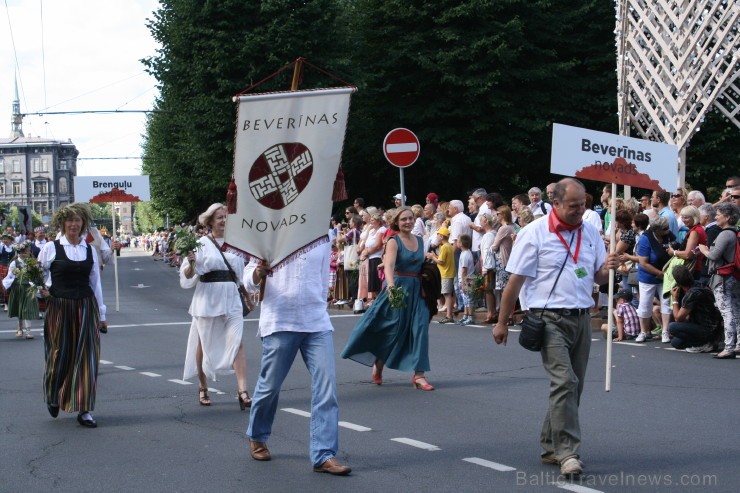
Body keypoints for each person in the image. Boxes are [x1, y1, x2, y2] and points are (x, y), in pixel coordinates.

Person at [493, 178, 618, 477]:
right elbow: (515, 281)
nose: (580, 211)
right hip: (548, 318)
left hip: (581, 317)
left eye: (583, 205)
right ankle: (567, 453)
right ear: (557, 203)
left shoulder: (590, 230)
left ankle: (550, 445)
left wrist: (609, 267)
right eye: (573, 206)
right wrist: (501, 322)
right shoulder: (534, 233)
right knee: (564, 382)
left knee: (574, 385)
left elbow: (598, 278)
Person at [245, 243, 351, 475]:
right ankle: (257, 434)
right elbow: (248, 278)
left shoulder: (323, 235)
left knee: (327, 386)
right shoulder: (271, 233)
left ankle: (324, 454)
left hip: (316, 321)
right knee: (269, 386)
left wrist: (320, 302)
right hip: (280, 319)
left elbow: (324, 275)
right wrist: (257, 272)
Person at [342, 206, 434, 391]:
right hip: (398, 288)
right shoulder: (393, 241)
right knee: (392, 329)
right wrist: (391, 288)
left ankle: (419, 375)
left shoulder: (420, 240)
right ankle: (379, 363)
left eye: (410, 218)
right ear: (396, 223)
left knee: (420, 329)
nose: (407, 222)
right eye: (403, 219)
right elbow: (389, 266)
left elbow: (420, 263)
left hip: (417, 289)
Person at [39, 203, 107, 428]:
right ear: (62, 223)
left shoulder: (89, 250)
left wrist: (102, 314)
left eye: (78, 221)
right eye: (70, 220)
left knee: (87, 357)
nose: (74, 225)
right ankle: (54, 394)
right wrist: (44, 288)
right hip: (59, 306)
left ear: (83, 224)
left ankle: (84, 409)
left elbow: (95, 283)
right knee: (60, 353)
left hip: (86, 306)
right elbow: (37, 274)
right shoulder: (51, 248)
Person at [179, 203, 250, 408]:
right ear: (210, 221)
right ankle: (203, 387)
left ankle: (243, 391)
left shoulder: (236, 244)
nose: (224, 220)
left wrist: (246, 295)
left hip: (231, 297)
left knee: (237, 341)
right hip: (207, 298)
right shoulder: (200, 243)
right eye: (220, 217)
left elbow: (238, 275)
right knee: (203, 344)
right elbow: (188, 276)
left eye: (227, 217)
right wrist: (191, 263)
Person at [697, 203, 740, 359]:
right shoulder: (735, 233)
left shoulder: (725, 234)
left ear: (727, 217)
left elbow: (714, 255)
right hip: (733, 276)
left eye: (719, 214)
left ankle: (729, 347)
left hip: (722, 277)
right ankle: (737, 344)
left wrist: (704, 250)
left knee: (726, 310)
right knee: (735, 309)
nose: (716, 217)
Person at [634, 216, 674, 343]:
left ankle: (665, 331)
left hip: (666, 275)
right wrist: (658, 273)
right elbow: (643, 262)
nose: (668, 230)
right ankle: (643, 331)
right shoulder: (645, 239)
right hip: (648, 276)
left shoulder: (668, 235)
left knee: (666, 303)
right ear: (656, 230)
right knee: (645, 304)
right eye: (665, 229)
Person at [667, 264, 723, 353]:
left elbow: (678, 318)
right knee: (676, 342)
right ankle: (704, 341)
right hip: (712, 326)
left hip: (708, 329)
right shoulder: (699, 284)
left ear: (678, 282)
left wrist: (674, 299)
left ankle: (705, 344)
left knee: (672, 327)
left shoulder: (692, 293)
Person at [2, 241, 41, 339]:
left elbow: (36, 275)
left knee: (27, 308)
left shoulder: (31, 262)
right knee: (20, 309)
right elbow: (10, 276)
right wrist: (6, 285)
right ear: (20, 252)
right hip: (18, 287)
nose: (27, 253)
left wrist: (35, 283)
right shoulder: (14, 263)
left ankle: (28, 331)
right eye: (25, 251)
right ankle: (20, 328)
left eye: (28, 251)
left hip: (28, 287)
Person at [426, 226, 455, 323]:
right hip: (447, 272)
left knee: (447, 295)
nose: (437, 237)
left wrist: (432, 257)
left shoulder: (444, 247)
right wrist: (435, 256)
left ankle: (449, 315)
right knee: (447, 294)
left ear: (442, 237)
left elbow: (441, 262)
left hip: (445, 273)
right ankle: (449, 315)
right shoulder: (449, 246)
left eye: (438, 235)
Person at [456, 234, 475, 325]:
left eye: (458, 241)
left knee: (468, 299)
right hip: (466, 279)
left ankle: (470, 317)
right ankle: (466, 315)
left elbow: (464, 270)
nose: (456, 243)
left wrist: (463, 283)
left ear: (461, 243)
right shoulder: (465, 253)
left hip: (467, 279)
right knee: (465, 299)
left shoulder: (465, 255)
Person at [0, 233, 15, 311]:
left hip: (11, 268)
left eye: (7, 239)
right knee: (4, 285)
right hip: (2, 267)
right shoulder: (1, 247)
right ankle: (5, 303)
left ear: (10, 240)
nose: (5, 240)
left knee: (11, 285)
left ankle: (11, 302)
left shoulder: (14, 247)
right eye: (4, 239)